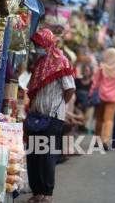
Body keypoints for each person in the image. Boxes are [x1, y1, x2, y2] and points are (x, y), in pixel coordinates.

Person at [26, 29, 75, 203]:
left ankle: (47, 193)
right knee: (33, 154)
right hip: (35, 115)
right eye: (35, 44)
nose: (36, 47)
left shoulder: (61, 62)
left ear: (47, 43)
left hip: (53, 116)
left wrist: (59, 105)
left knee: (46, 154)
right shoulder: (40, 63)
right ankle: (37, 192)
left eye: (39, 44)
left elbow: (69, 89)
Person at [74, 64, 94, 133]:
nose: (85, 72)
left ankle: (85, 127)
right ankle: (81, 126)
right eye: (84, 70)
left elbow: (93, 97)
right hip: (77, 105)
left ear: (91, 72)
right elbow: (73, 94)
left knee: (91, 109)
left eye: (87, 70)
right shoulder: (77, 81)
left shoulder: (92, 83)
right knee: (80, 115)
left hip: (87, 105)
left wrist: (88, 104)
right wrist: (77, 103)